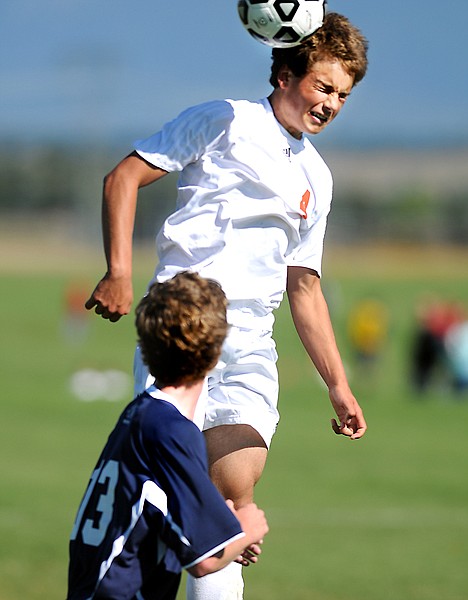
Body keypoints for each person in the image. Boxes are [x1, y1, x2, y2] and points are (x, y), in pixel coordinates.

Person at [85, 12, 369, 599]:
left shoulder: (318, 176)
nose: (331, 103)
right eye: (323, 86)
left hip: (250, 343)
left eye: (343, 94)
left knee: (235, 496)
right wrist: (118, 271)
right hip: (183, 325)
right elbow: (123, 177)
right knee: (174, 500)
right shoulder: (226, 120)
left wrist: (338, 386)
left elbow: (306, 289)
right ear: (286, 73)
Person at [68, 271, 269, 600]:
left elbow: (164, 518)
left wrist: (229, 538)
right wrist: (249, 526)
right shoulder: (174, 431)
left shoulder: (144, 415)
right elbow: (203, 562)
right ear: (217, 355)